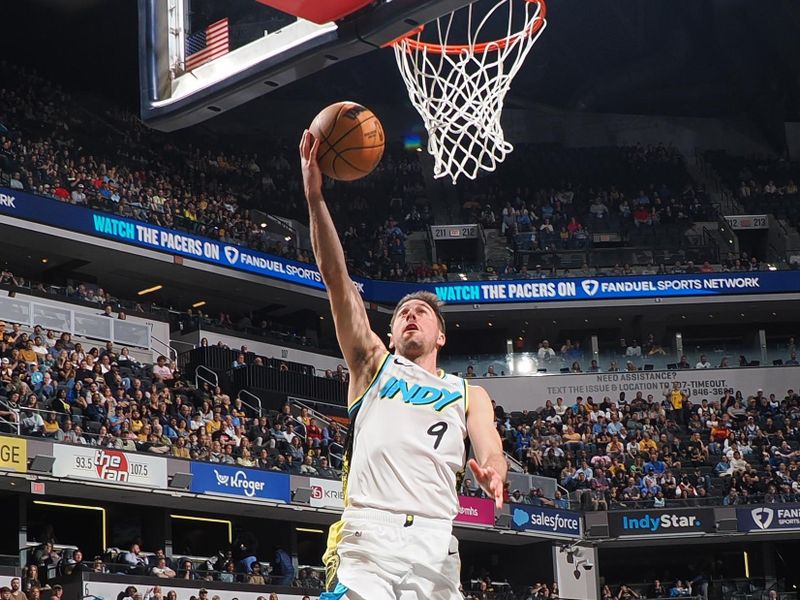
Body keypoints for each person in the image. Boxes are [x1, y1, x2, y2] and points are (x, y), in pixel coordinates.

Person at [300, 131, 505, 600]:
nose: (410, 315)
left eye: (422, 313)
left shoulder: (469, 393)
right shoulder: (373, 366)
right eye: (401, 314)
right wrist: (315, 199)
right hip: (369, 534)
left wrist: (494, 471)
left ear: (441, 335)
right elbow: (337, 280)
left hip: (435, 540)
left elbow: (490, 446)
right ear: (390, 335)